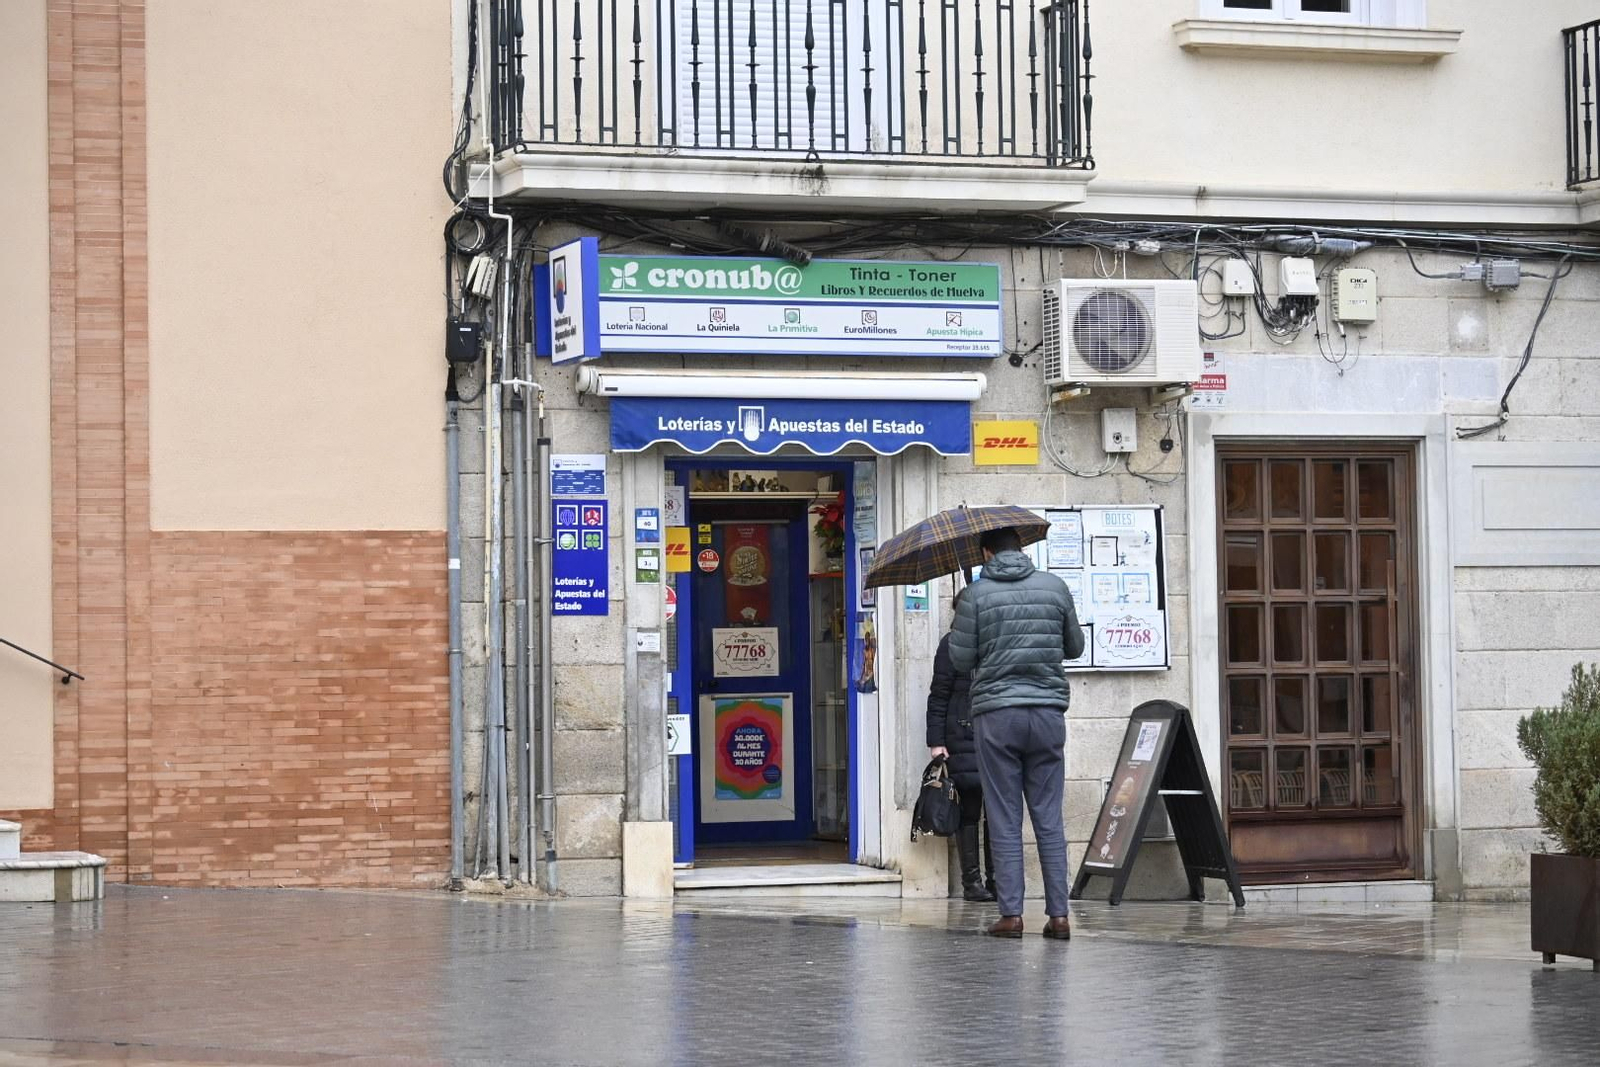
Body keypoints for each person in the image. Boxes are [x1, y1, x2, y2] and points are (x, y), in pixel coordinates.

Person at [948, 526, 1085, 940]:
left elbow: (960, 659)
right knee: (1049, 816)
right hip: (1046, 713)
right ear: (1021, 548)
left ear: (987, 552)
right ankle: (1059, 915)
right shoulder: (1055, 586)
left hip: (997, 715)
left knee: (1005, 816)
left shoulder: (975, 594)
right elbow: (1075, 646)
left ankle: (1011, 915)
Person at [926, 594, 995, 902]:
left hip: (994, 736)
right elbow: (938, 695)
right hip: (962, 736)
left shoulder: (996, 642)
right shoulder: (950, 644)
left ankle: (999, 880)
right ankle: (972, 882)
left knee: (998, 813)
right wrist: (936, 743)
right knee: (968, 810)